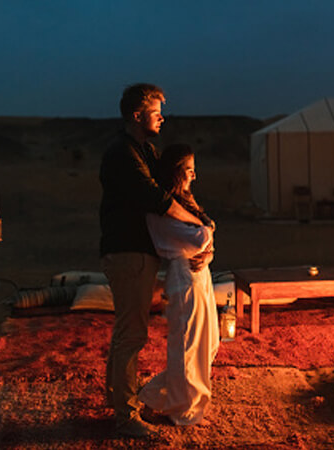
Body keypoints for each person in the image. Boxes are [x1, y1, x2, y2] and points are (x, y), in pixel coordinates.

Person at [99, 83, 207, 437]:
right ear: (136, 115)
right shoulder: (122, 153)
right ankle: (125, 416)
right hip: (128, 252)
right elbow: (156, 198)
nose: (163, 118)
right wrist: (200, 225)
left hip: (138, 252)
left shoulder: (144, 150)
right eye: (156, 112)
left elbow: (168, 189)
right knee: (132, 334)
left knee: (127, 331)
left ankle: (116, 398)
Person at [138, 143, 219, 426]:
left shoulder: (186, 203)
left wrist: (206, 240)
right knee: (188, 346)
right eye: (188, 170)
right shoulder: (160, 211)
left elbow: (204, 238)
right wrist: (206, 233)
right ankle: (183, 411)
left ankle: (152, 396)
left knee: (209, 344)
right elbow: (199, 238)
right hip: (183, 275)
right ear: (174, 172)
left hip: (200, 273)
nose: (193, 176)